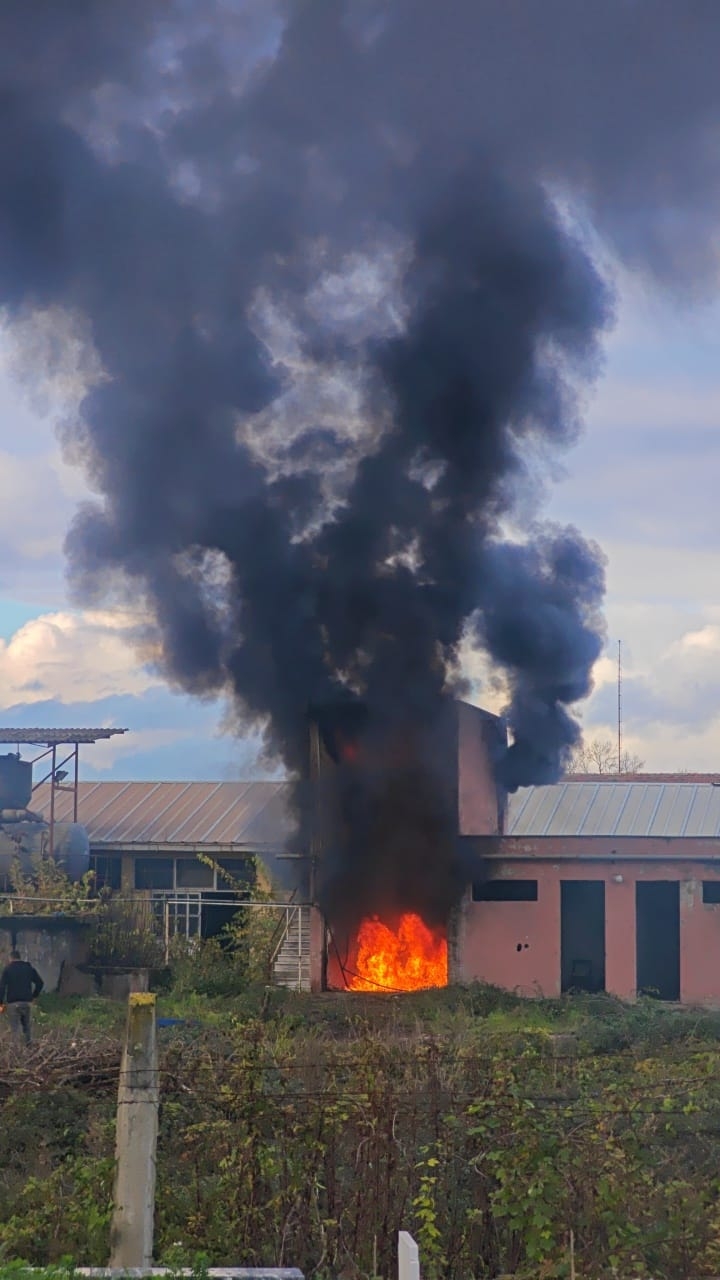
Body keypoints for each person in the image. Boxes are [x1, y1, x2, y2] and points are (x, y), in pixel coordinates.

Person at [0, 949, 44, 1045]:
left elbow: (2, 987)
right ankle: (29, 1049)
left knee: (15, 1028)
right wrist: (34, 996)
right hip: (27, 1002)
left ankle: (17, 1053)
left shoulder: (7, 969)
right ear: (20, 957)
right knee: (27, 1027)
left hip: (13, 1003)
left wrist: (1, 1002)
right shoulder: (28, 968)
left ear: (10, 958)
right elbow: (40, 983)